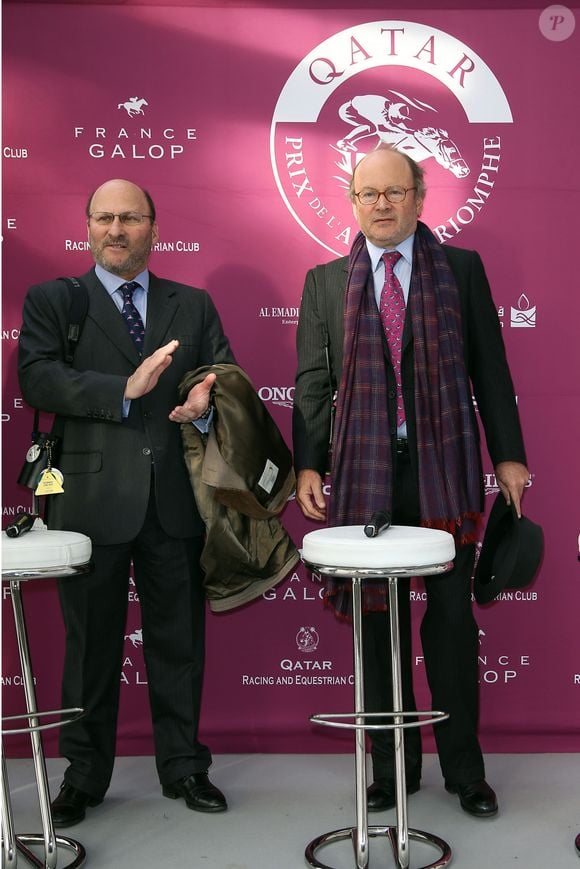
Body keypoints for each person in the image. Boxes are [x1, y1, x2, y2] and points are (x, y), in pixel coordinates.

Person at [292, 145, 529, 818]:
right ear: (352, 201)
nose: (382, 204)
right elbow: (312, 384)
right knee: (378, 626)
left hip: (443, 472)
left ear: (419, 198)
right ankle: (391, 769)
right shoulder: (324, 282)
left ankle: (465, 772)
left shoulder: (460, 269)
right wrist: (308, 462)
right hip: (363, 477)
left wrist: (509, 455)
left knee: (451, 622)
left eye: (395, 192)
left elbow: (490, 369)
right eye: (369, 193)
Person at [18, 179, 234, 826]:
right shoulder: (55, 299)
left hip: (176, 501)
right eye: (105, 217)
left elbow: (225, 377)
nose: (117, 229)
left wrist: (204, 407)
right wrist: (123, 388)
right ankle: (83, 776)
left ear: (154, 228)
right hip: (89, 502)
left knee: (179, 643)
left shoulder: (192, 305)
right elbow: (37, 378)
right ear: (87, 226)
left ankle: (185, 766)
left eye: (131, 218)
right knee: (90, 648)